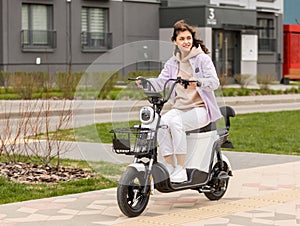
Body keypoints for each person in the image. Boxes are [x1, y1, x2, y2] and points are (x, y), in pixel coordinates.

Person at [137, 20, 222, 183]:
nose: (186, 42)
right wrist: (145, 81)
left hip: (201, 109)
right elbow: (162, 81)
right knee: (160, 123)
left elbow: (214, 82)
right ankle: (170, 166)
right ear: (175, 41)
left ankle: (181, 169)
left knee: (176, 124)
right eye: (182, 39)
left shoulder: (202, 59)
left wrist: (198, 82)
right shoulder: (172, 62)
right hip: (181, 108)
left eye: (188, 38)